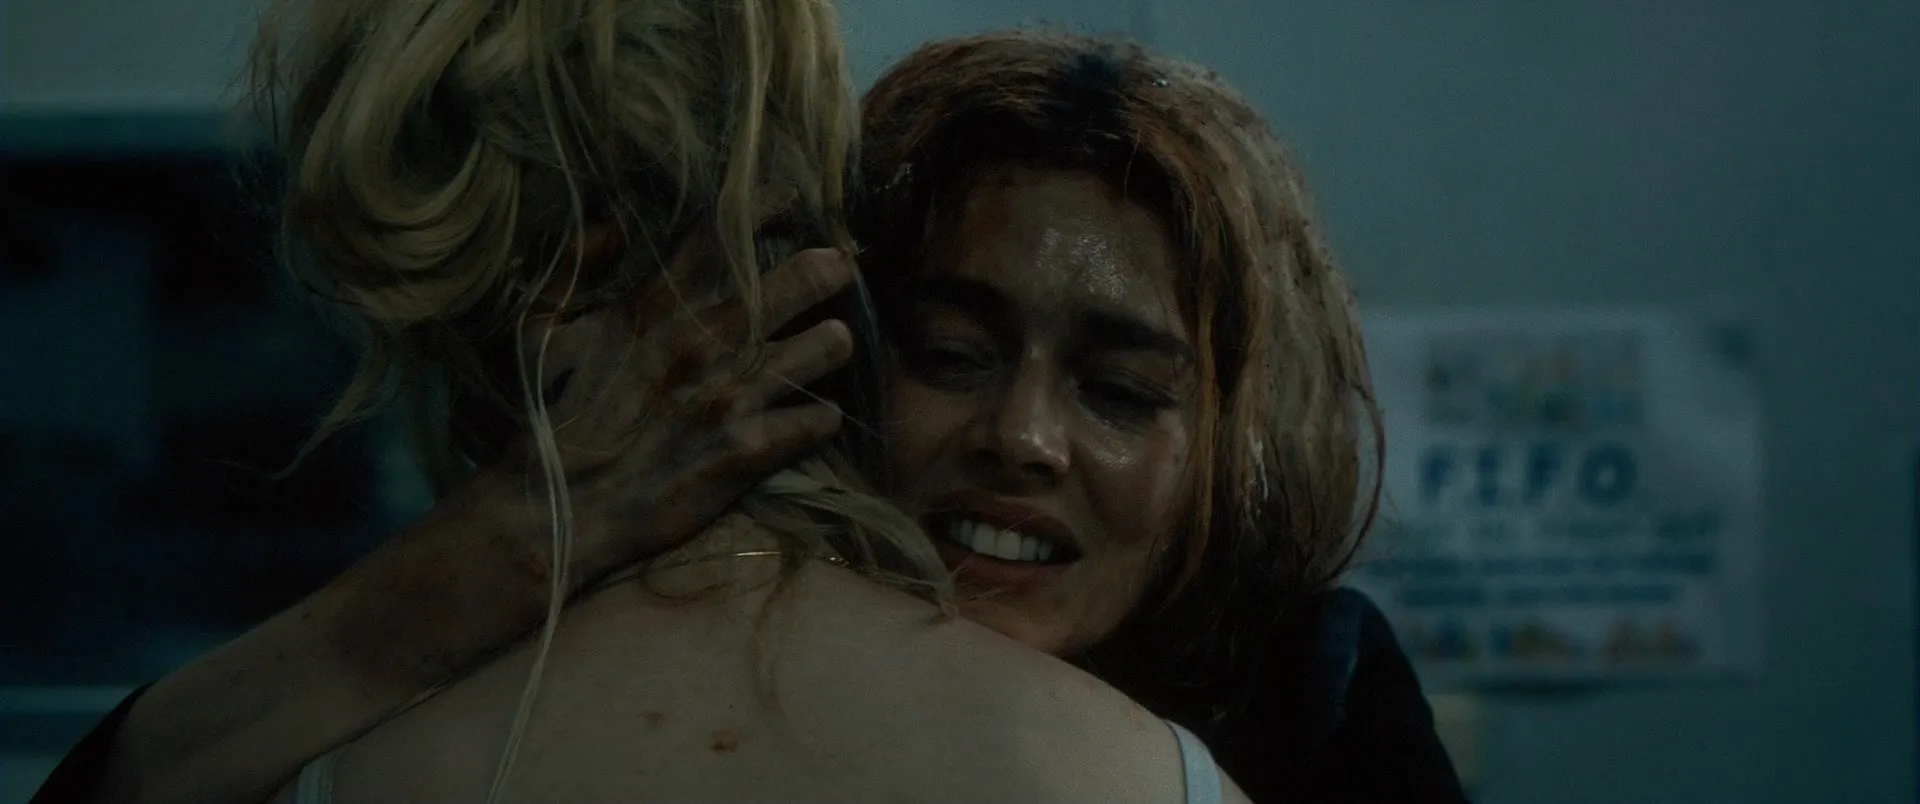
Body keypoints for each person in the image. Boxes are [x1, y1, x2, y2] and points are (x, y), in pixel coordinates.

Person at [32, 24, 1462, 804]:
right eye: (947, 354)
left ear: (1229, 441)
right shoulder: (513, 650)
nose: (1022, 439)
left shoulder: (1312, 698)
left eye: (1123, 391)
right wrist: (517, 535)